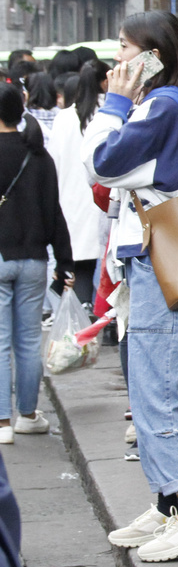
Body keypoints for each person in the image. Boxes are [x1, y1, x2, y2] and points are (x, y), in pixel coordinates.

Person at [87, 11, 178, 562]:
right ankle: (170, 504)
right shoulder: (168, 105)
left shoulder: (164, 106)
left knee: (159, 391)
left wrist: (115, 106)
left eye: (125, 47)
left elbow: (100, 162)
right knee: (149, 390)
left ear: (152, 56)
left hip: (156, 262)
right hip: (148, 261)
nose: (117, 58)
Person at [0, 83, 73, 443]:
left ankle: (1, 423)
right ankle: (27, 414)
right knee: (28, 341)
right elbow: (53, 212)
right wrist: (65, 261)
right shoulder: (38, 155)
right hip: (33, 260)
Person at [50, 60, 112, 308]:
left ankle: (81, 332)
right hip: (106, 203)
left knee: (80, 271)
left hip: (71, 204)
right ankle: (108, 327)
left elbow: (54, 164)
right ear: (104, 82)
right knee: (109, 271)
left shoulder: (64, 119)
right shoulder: (111, 114)